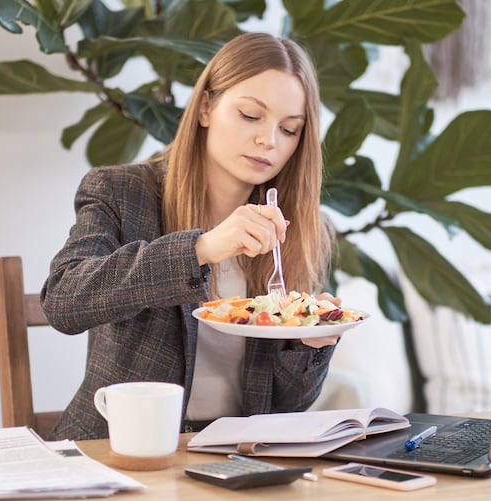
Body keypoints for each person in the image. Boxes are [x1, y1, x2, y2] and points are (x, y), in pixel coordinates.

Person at [41, 32, 340, 441]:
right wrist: (202, 248)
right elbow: (63, 301)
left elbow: (288, 406)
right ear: (205, 108)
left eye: (289, 130)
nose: (268, 140)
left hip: (236, 454)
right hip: (121, 448)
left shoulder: (301, 228)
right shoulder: (123, 192)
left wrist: (312, 343)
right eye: (251, 116)